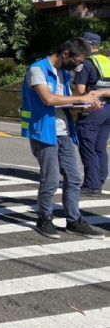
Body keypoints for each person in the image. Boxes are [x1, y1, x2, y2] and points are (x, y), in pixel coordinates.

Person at [21, 37, 104, 239]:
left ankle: (73, 220)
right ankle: (44, 219)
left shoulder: (63, 74)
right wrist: (81, 98)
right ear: (66, 54)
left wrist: (87, 105)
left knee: (74, 178)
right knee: (50, 179)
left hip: (65, 131)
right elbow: (48, 99)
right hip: (43, 131)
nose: (79, 66)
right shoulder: (37, 70)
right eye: (78, 61)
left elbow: (65, 103)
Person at [74, 32, 110, 196]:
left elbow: (81, 91)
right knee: (100, 147)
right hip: (108, 110)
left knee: (87, 146)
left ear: (87, 45)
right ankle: (99, 180)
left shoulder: (85, 64)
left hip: (92, 109)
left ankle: (92, 185)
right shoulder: (106, 61)